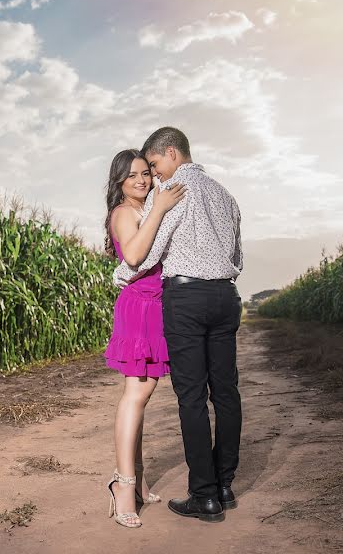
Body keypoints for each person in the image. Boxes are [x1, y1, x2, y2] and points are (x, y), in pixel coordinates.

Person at [114, 127, 243, 524]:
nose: (155, 175)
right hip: (225, 295)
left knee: (191, 396)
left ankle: (203, 495)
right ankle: (225, 485)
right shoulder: (225, 194)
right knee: (226, 391)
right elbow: (238, 252)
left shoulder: (171, 192)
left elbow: (148, 253)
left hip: (186, 298)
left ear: (171, 153)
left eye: (154, 165)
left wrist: (122, 274)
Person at [103, 149, 187, 528]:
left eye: (145, 173)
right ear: (119, 181)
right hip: (139, 309)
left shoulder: (141, 209)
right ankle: (123, 486)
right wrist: (160, 208)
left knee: (143, 397)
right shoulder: (124, 213)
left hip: (155, 306)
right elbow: (134, 256)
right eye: (133, 175)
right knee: (135, 394)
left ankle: (136, 479)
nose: (142, 180)